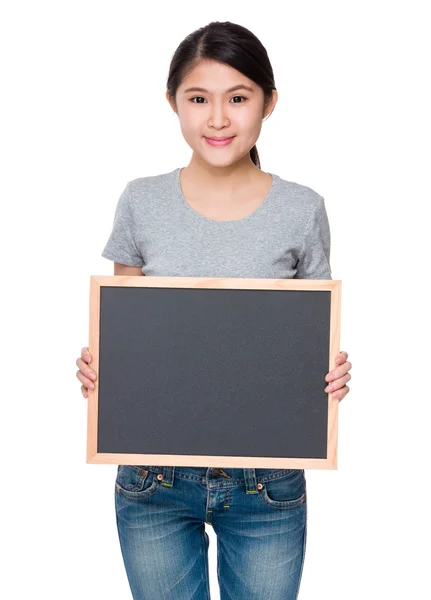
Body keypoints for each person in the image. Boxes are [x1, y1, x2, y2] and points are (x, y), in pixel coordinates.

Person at [76, 20, 352, 600]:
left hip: (268, 481)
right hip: (153, 477)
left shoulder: (302, 209)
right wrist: (102, 370)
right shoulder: (141, 200)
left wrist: (327, 378)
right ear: (173, 102)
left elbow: (310, 336)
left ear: (269, 103)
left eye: (239, 98)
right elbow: (126, 326)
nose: (218, 119)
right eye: (198, 99)